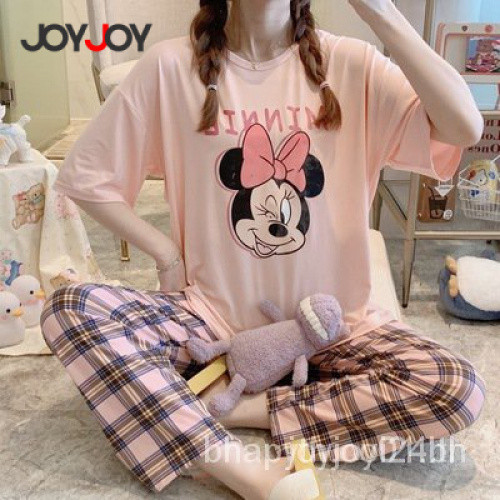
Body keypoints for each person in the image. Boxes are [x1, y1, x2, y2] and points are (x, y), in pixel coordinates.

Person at [40, 1, 486, 499]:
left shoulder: (352, 64)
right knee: (71, 307)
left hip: (333, 331)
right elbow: (85, 175)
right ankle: (240, 470)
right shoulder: (170, 68)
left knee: (455, 386)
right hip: (211, 328)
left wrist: (379, 11)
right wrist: (166, 254)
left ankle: (234, 407)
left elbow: (464, 128)